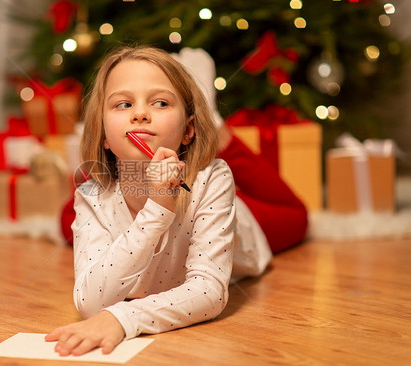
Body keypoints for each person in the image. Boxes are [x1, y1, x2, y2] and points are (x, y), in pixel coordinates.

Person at [46, 45, 307, 356]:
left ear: (188, 130)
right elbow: (90, 302)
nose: (139, 114)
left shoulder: (214, 179)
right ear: (103, 135)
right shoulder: (91, 194)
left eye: (160, 102)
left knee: (297, 217)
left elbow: (209, 292)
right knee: (70, 217)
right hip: (126, 190)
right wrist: (155, 211)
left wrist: (123, 318)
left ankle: (217, 128)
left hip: (233, 221)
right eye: (123, 104)